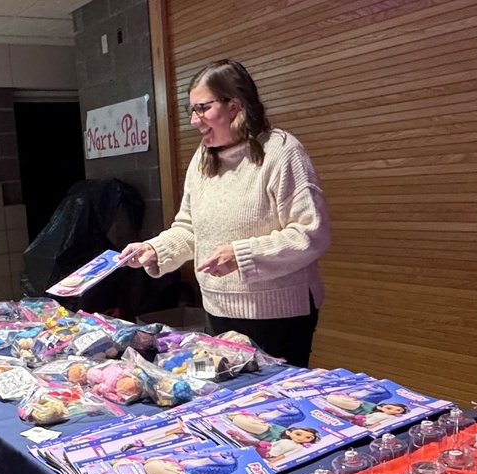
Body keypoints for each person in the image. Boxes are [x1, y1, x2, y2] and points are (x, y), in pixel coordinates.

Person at [120, 59, 330, 368]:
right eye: (191, 110)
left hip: (277, 315)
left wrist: (242, 255)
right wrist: (155, 249)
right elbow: (190, 227)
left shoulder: (281, 151)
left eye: (202, 108)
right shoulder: (203, 159)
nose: (194, 120)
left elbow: (311, 233)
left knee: (267, 405)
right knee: (223, 404)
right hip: (217, 310)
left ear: (234, 106)